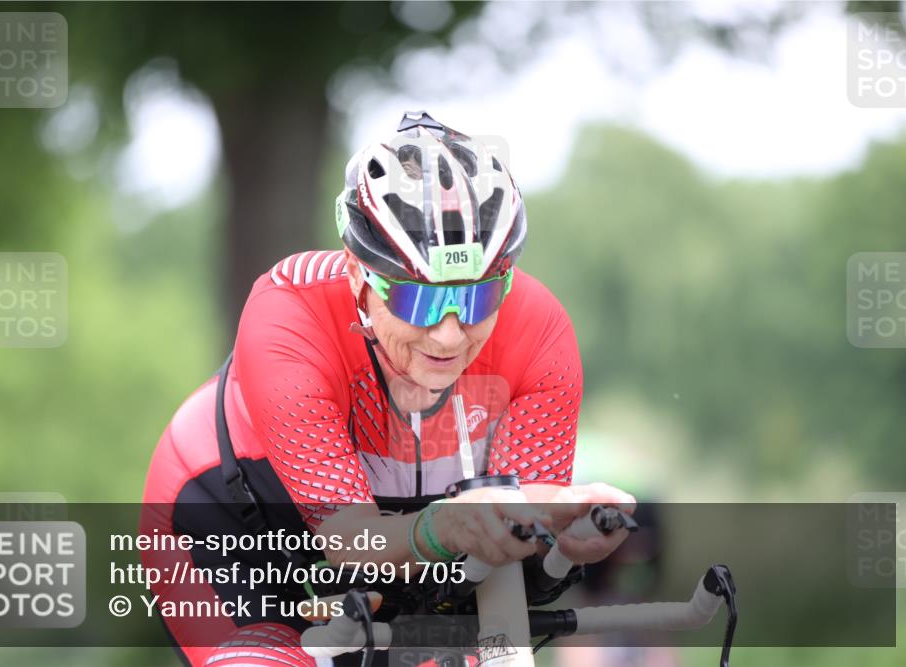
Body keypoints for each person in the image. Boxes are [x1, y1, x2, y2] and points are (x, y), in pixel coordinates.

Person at [141, 111, 636, 667]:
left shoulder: (537, 327)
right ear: (357, 274)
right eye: (420, 301)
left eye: (476, 298)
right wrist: (443, 525)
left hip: (410, 541)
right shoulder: (288, 313)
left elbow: (512, 543)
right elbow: (348, 537)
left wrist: (563, 536)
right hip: (236, 529)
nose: (450, 334)